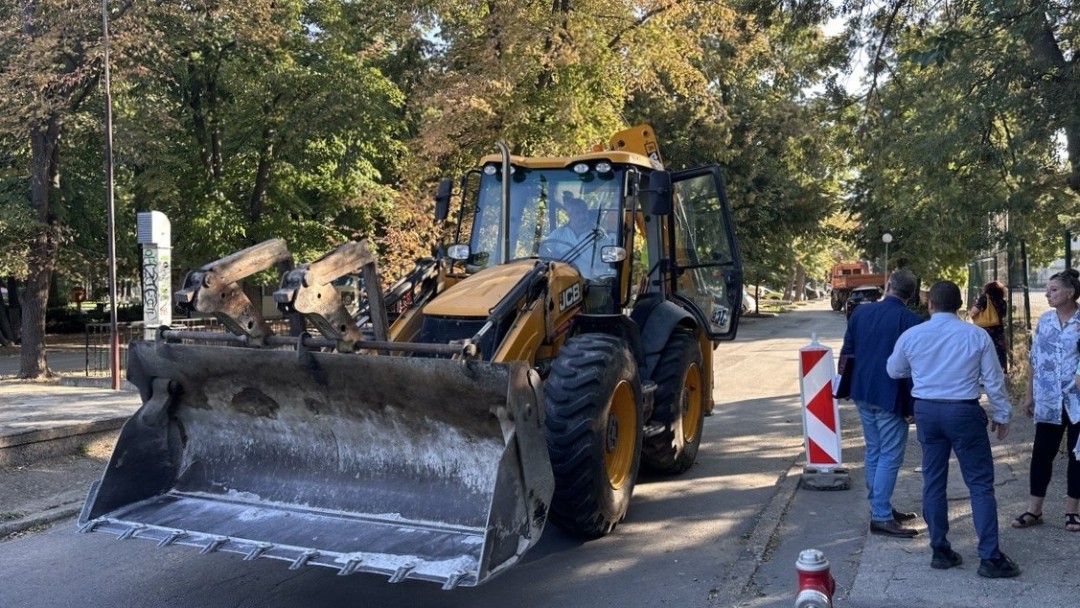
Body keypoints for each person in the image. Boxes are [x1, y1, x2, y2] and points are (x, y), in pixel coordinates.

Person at [887, 280, 1019, 578]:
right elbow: (993, 379)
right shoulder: (976, 336)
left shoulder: (913, 335)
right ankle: (989, 557)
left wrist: (922, 370)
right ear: (960, 305)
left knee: (933, 481)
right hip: (963, 411)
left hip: (927, 411)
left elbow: (894, 370)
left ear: (930, 304)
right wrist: (1001, 414)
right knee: (980, 484)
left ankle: (940, 550)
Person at [839, 269, 923, 538]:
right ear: (911, 295)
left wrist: (848, 385)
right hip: (891, 397)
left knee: (874, 450)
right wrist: (913, 407)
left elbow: (847, 351)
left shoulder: (860, 313)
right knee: (889, 455)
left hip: (862, 390)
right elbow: (914, 367)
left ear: (887, 285)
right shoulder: (911, 321)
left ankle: (880, 506)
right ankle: (881, 516)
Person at [1011, 268, 1080, 533]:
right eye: (1047, 290)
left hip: (1077, 401)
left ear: (1070, 293)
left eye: (1054, 290)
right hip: (1049, 400)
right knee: (1042, 454)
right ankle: (1034, 509)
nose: (1048, 294)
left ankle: (1072, 511)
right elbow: (1034, 360)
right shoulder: (1045, 321)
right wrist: (1030, 395)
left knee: (1078, 456)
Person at [968, 280, 1008, 371]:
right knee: (999, 353)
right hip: (998, 333)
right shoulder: (1003, 302)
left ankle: (985, 373)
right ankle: (1001, 371)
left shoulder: (985, 298)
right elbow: (1003, 316)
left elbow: (973, 312)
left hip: (984, 331)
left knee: (984, 353)